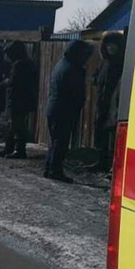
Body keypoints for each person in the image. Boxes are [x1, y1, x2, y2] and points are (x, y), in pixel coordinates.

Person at [44, 39, 94, 182]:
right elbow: (75, 93)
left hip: (55, 107)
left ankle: (49, 168)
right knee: (61, 142)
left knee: (55, 140)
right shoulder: (72, 69)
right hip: (63, 109)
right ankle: (55, 170)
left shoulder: (62, 64)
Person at [0, 41, 36, 159]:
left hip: (19, 99)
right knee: (12, 125)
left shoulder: (21, 65)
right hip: (20, 99)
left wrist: (5, 81)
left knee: (17, 125)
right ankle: (9, 148)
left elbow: (15, 81)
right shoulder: (26, 63)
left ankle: (19, 150)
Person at [92, 31, 125, 174]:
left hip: (114, 104)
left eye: (114, 46)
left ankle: (113, 166)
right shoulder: (105, 62)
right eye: (109, 45)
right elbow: (98, 77)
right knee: (102, 134)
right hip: (102, 102)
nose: (111, 48)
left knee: (113, 135)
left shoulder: (121, 63)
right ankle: (101, 161)